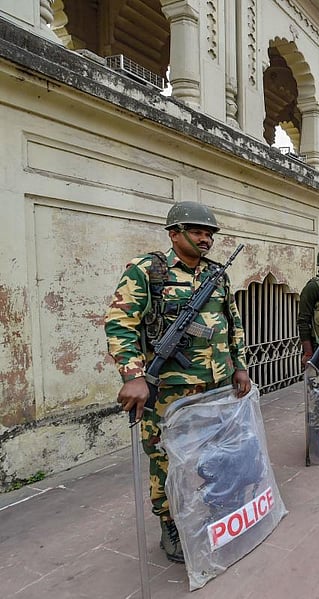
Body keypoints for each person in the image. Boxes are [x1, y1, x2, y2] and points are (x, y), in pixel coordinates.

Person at [105, 201, 251, 563]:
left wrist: (240, 366)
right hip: (169, 390)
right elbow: (120, 324)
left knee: (216, 451)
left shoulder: (217, 274)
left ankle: (214, 509)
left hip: (216, 385)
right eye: (197, 232)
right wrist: (133, 376)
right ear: (174, 234)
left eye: (209, 234)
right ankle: (169, 523)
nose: (205, 240)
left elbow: (233, 323)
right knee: (165, 457)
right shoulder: (147, 271)